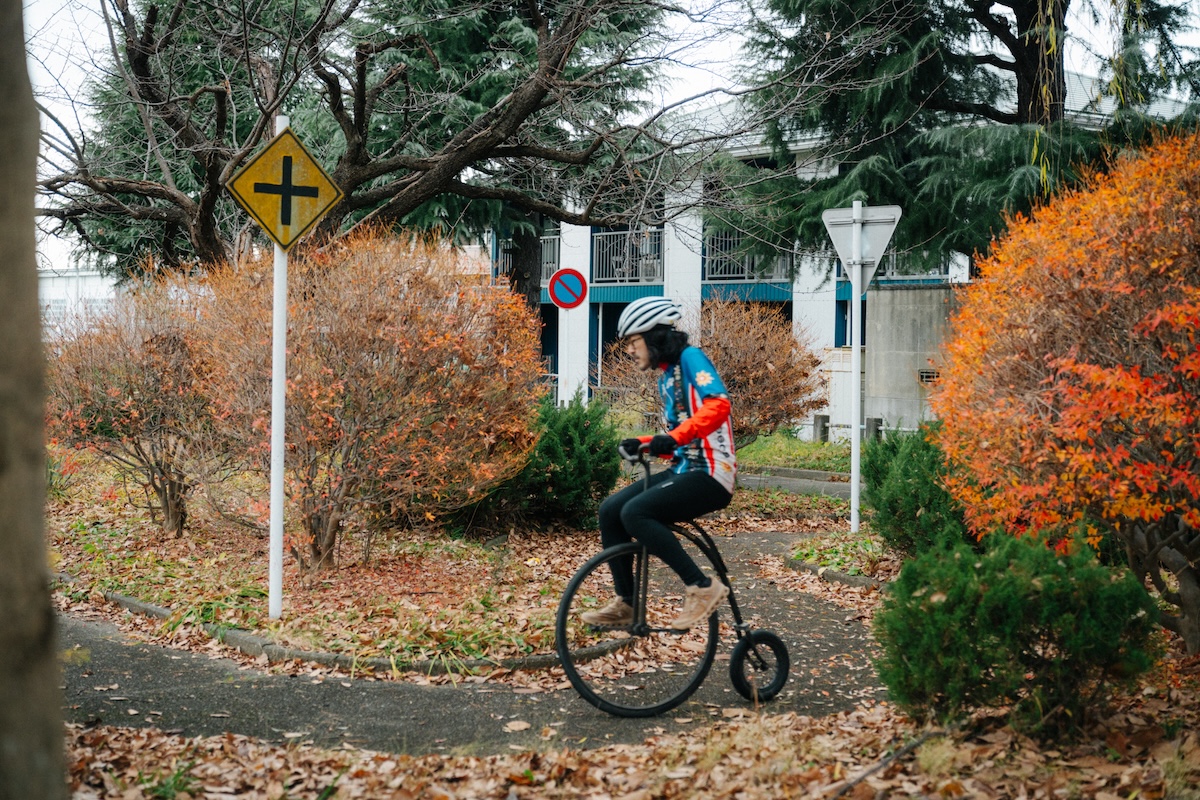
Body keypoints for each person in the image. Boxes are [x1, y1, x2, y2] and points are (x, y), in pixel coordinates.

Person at [581, 296, 737, 631]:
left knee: (635, 512)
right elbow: (679, 438)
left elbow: (719, 405)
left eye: (633, 342)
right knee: (610, 510)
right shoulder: (667, 376)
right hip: (685, 468)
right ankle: (626, 603)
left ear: (653, 337)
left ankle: (702, 587)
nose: (629, 351)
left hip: (711, 473)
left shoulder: (691, 358)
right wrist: (646, 444)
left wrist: (676, 438)